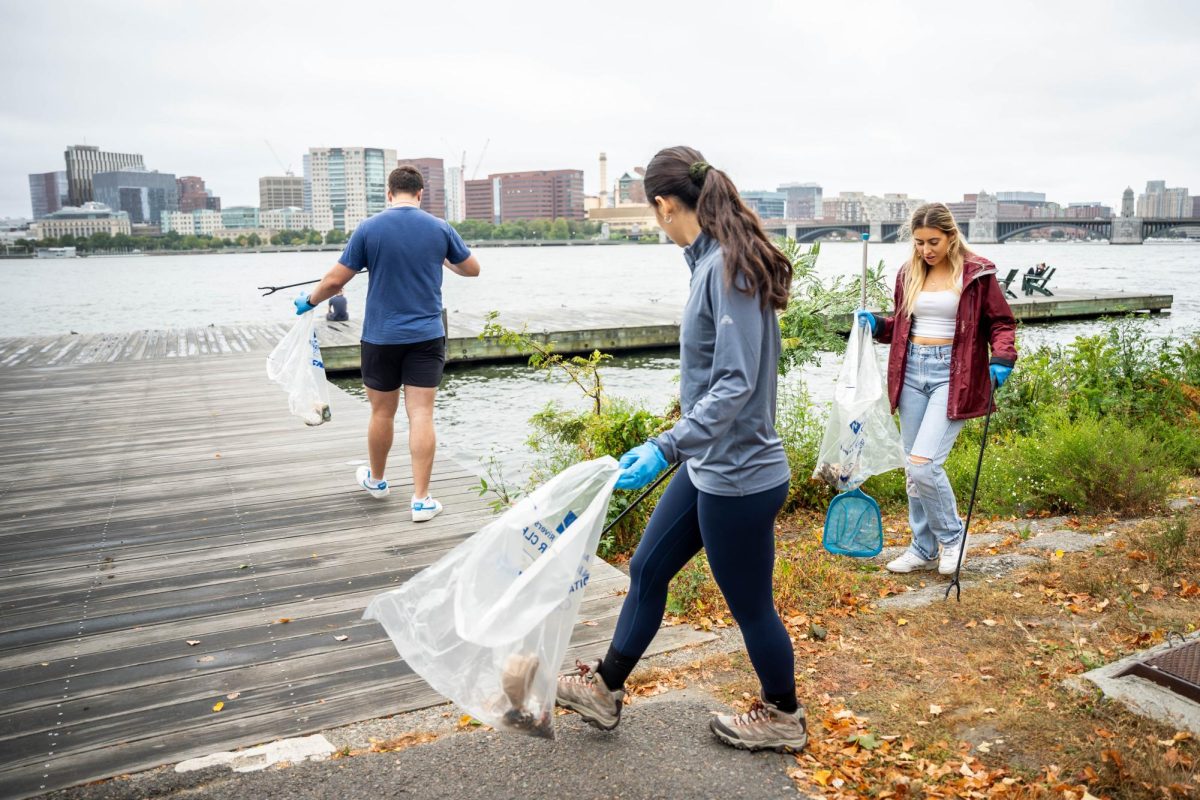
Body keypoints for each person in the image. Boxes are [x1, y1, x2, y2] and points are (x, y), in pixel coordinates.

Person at [555, 146, 806, 752]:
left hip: (741, 475)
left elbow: (736, 381)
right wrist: (681, 444)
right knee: (647, 568)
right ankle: (606, 690)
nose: (657, 224)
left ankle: (784, 716)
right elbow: (713, 379)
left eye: (655, 214)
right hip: (709, 463)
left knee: (750, 606)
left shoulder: (727, 269)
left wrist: (667, 445)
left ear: (667, 206)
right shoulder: (709, 262)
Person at [294, 165, 481, 522]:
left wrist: (311, 300)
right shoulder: (439, 228)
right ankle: (422, 500)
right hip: (426, 336)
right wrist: (441, 256)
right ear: (421, 193)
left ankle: (378, 481)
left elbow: (335, 281)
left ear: (390, 194)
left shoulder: (369, 228)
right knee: (422, 413)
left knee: (382, 412)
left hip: (380, 336)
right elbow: (472, 269)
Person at [856, 202, 1017, 576]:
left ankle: (951, 538)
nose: (926, 250)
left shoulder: (976, 273)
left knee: (924, 464)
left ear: (950, 236)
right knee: (914, 473)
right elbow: (901, 324)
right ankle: (922, 547)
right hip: (911, 371)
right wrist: (876, 325)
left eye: (933, 242)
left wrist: (1003, 358)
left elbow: (1002, 323)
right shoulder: (908, 273)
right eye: (919, 243)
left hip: (953, 373)